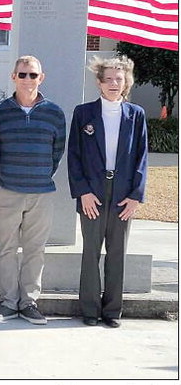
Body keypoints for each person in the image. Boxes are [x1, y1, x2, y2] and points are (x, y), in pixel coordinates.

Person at [68, 55, 148, 328]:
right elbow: (74, 156)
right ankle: (89, 310)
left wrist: (136, 195)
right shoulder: (84, 113)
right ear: (99, 82)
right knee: (91, 251)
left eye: (119, 78)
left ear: (126, 82)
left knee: (117, 252)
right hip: (93, 191)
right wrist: (83, 192)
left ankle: (112, 311)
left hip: (123, 193)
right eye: (109, 78)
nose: (114, 83)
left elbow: (141, 157)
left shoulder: (135, 115)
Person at [0, 55, 66, 325]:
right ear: (13, 77)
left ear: (41, 78)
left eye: (33, 75)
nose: (28, 79)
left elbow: (57, 152)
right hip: (7, 191)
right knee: (6, 249)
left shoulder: (54, 113)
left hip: (41, 193)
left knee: (35, 250)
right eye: (22, 74)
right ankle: (8, 302)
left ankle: (29, 302)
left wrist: (41, 175)